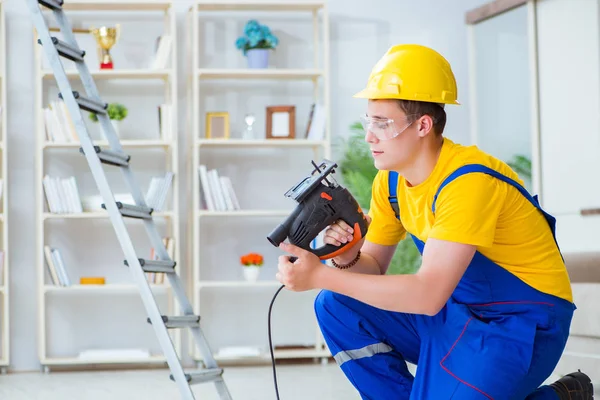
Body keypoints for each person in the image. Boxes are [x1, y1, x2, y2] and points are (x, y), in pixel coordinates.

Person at [275, 44, 594, 399]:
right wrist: (345, 257)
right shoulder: (391, 181)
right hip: (455, 313)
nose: (369, 136)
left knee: (330, 287)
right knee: (336, 305)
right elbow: (373, 269)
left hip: (519, 325)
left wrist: (319, 274)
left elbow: (427, 295)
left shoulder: (467, 182)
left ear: (423, 125)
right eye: (369, 121)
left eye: (382, 123)